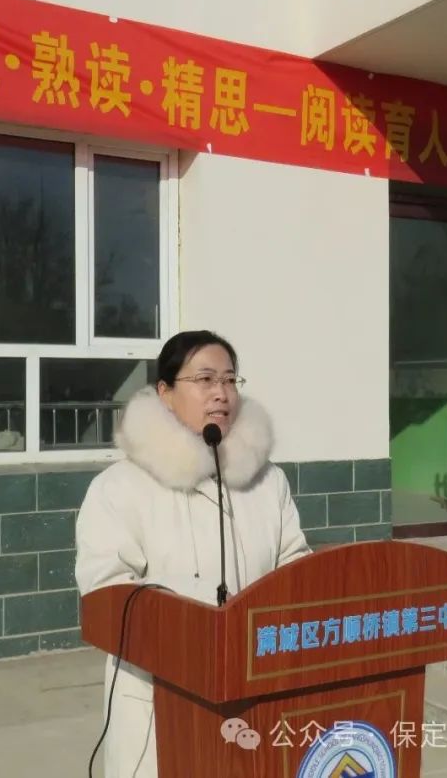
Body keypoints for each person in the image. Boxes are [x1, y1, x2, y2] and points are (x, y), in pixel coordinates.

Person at [74, 329, 312, 778]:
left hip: (256, 696)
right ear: (165, 393)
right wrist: (204, 622)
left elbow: (296, 568)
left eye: (229, 380)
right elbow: (106, 594)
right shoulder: (120, 488)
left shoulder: (268, 482)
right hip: (160, 703)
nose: (221, 393)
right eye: (204, 379)